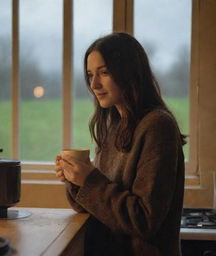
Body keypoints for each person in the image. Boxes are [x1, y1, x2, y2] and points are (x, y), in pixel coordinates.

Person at [55, 32, 185, 256]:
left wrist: (89, 180)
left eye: (104, 73)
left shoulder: (157, 126)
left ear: (129, 73)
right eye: (90, 75)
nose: (94, 84)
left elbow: (144, 221)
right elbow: (101, 209)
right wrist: (76, 180)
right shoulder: (113, 127)